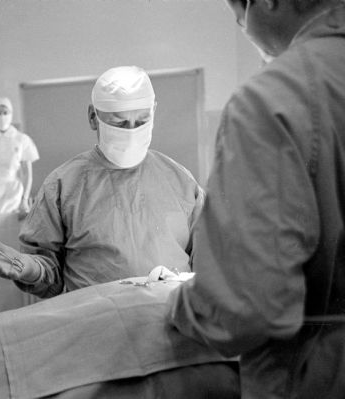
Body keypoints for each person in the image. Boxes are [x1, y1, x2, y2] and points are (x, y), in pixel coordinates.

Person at [167, 1, 345, 398]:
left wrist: (178, 303)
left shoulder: (278, 97)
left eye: (237, 9)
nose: (240, 23)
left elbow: (242, 309)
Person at [0, 66, 205, 298]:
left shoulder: (181, 182)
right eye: (119, 123)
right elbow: (48, 272)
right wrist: (30, 269)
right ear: (92, 117)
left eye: (141, 122)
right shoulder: (63, 186)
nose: (131, 133)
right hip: (96, 326)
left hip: (170, 322)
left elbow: (209, 263)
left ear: (154, 112)